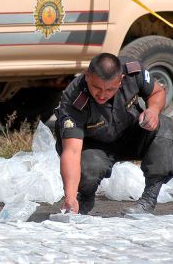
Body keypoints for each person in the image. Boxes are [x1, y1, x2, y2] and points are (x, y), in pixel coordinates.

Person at [55, 52, 173, 215]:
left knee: (165, 127)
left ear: (121, 80)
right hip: (95, 147)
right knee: (87, 167)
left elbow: (157, 92)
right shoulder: (73, 99)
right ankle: (84, 199)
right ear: (87, 76)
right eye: (97, 88)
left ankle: (149, 197)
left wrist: (153, 110)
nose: (102, 94)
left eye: (110, 89)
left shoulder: (134, 72)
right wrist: (69, 196)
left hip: (131, 134)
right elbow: (72, 152)